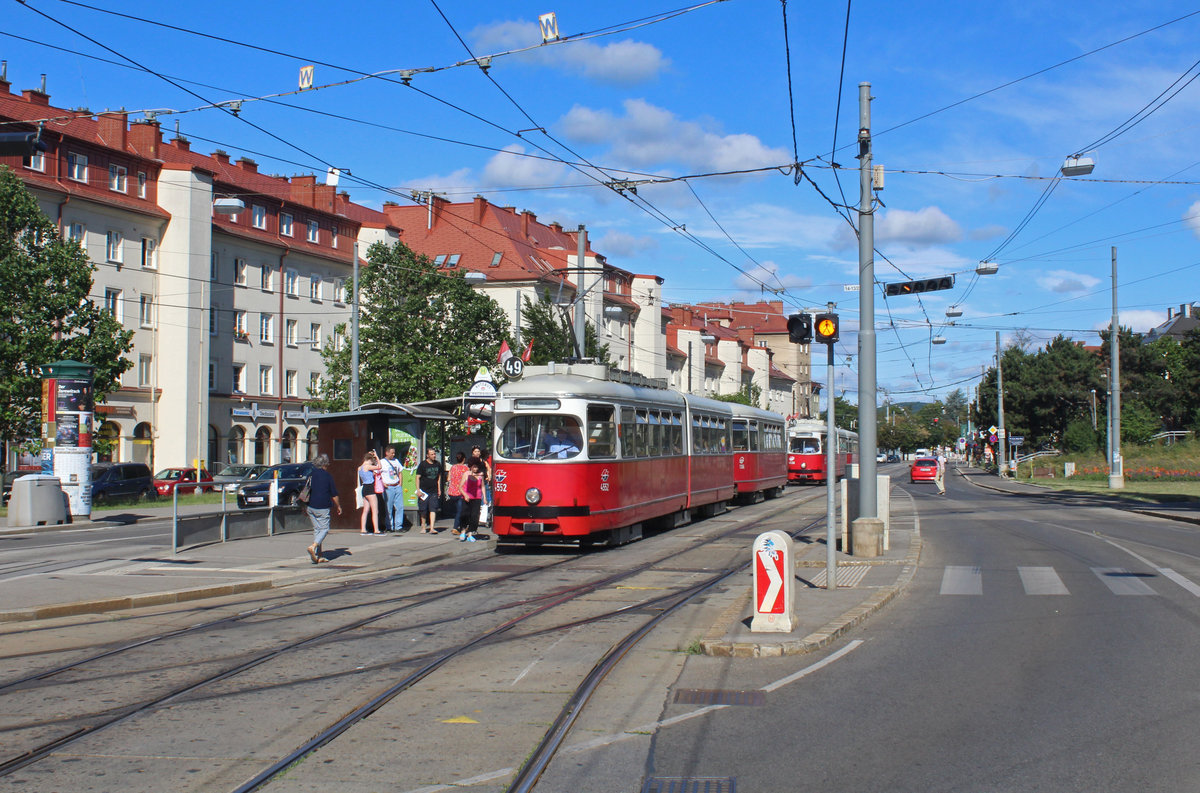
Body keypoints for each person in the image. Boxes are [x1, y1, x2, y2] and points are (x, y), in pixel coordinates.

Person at [305, 454, 342, 564]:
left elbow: (306, 490)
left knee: (317, 530)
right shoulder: (327, 476)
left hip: (310, 506)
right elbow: (334, 494)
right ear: (325, 464)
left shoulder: (310, 475)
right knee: (324, 529)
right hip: (323, 506)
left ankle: (318, 555)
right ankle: (313, 546)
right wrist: (338, 506)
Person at [415, 448, 443, 534]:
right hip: (424, 491)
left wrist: (439, 489)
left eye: (434, 454)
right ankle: (423, 526)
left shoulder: (437, 464)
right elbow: (417, 478)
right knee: (423, 510)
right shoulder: (423, 465)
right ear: (427, 455)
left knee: (433, 509)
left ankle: (432, 528)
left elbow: (439, 478)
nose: (434, 456)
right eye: (432, 454)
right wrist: (418, 490)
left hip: (433, 490)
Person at [459, 459, 486, 542]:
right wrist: (465, 495)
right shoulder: (466, 474)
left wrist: (484, 497)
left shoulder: (480, 476)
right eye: (474, 467)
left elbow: (482, 487)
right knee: (465, 515)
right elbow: (460, 487)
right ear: (471, 467)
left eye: (477, 467)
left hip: (477, 498)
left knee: (474, 516)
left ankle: (470, 533)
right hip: (467, 498)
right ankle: (463, 531)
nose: (475, 469)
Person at [380, 445, 406, 532]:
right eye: (392, 453)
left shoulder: (396, 461)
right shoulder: (382, 462)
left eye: (394, 453)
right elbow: (377, 474)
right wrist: (383, 483)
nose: (393, 455)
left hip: (396, 485)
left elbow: (400, 472)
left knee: (399, 507)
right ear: (386, 453)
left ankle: (398, 526)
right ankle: (389, 526)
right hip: (388, 487)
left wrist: (400, 483)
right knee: (388, 507)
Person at [358, 451, 383, 534]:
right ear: (369, 459)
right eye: (372, 460)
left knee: (365, 510)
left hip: (364, 488)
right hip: (370, 488)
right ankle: (376, 529)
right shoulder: (367, 466)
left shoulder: (360, 467)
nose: (373, 462)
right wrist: (377, 457)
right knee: (375, 510)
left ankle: (363, 529)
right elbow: (379, 466)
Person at [446, 451, 468, 536]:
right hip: (460, 492)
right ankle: (456, 527)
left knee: (458, 510)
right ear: (464, 459)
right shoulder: (465, 469)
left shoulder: (453, 467)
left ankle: (461, 526)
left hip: (452, 492)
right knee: (461, 511)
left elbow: (448, 479)